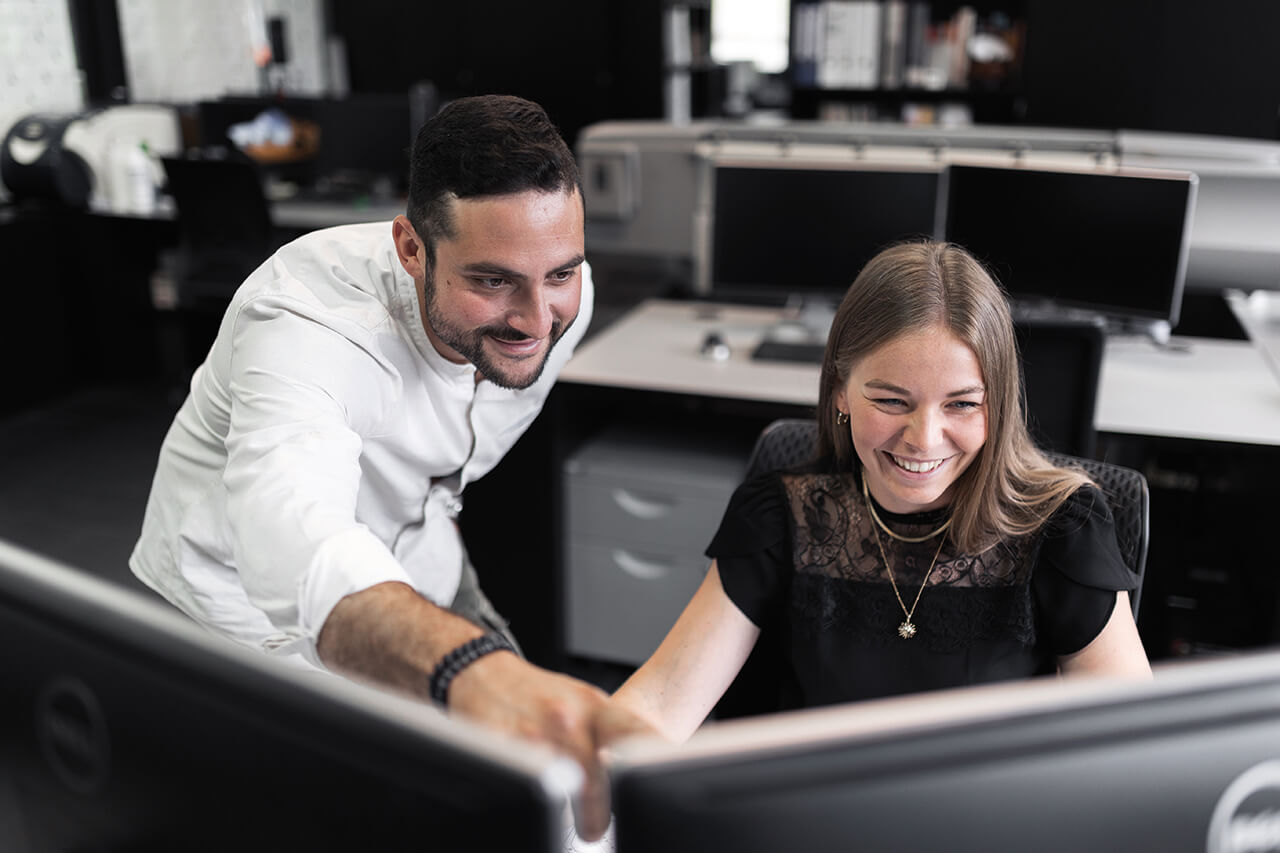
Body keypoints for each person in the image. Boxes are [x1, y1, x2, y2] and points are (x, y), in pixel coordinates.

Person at [130, 94, 645, 839]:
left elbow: (455, 449)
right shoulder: (307, 324)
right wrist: (470, 673)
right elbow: (298, 542)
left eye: (560, 272)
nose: (537, 320)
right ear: (410, 248)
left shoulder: (565, 294)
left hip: (417, 541)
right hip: (251, 602)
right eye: (493, 281)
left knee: (553, 802)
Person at [604, 240, 1152, 744]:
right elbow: (658, 704)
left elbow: (1132, 743)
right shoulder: (780, 516)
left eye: (961, 404)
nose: (923, 439)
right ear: (841, 392)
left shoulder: (1063, 529)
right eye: (891, 401)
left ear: (999, 403)